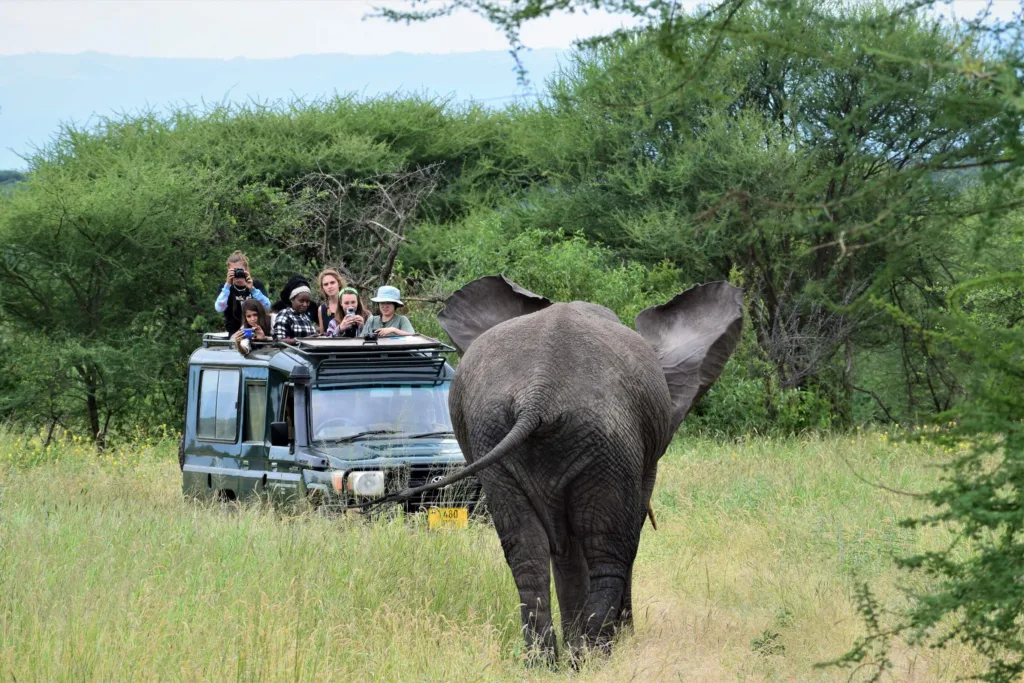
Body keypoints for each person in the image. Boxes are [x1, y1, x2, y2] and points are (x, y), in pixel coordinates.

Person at [215, 251, 271, 335]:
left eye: (240, 270)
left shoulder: (256, 285)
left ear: (247, 270)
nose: (237, 273)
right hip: (235, 333)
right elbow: (219, 308)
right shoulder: (225, 288)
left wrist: (252, 289)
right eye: (234, 271)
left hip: (258, 331)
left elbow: (267, 306)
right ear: (228, 271)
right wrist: (227, 285)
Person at [316, 268, 346, 335]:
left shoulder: (348, 303)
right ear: (322, 288)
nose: (329, 286)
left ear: (339, 284)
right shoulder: (322, 309)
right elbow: (322, 335)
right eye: (326, 284)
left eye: (332, 282)